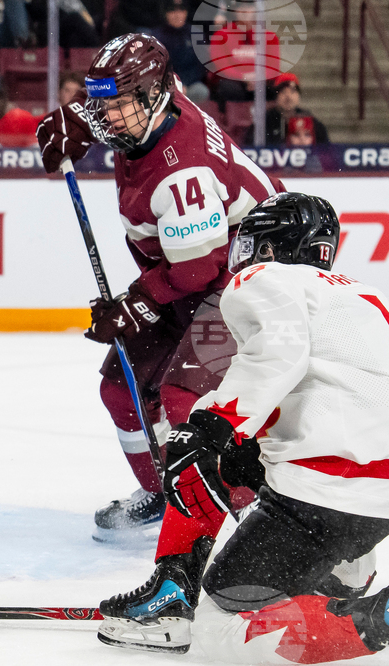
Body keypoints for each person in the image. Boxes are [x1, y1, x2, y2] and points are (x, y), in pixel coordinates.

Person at [97, 192, 389, 662]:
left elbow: (279, 352)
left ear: (270, 247)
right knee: (229, 454)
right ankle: (339, 585)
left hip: (323, 494)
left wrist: (213, 424)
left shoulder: (262, 277)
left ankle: (368, 619)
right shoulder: (366, 296)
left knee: (219, 632)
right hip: (374, 501)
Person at [35, 33, 282, 559]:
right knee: (121, 389)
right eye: (103, 103)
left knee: (183, 399)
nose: (108, 117)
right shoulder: (162, 99)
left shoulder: (183, 170)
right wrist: (77, 116)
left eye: (117, 106)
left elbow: (198, 269)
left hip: (246, 283)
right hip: (197, 271)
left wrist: (135, 302)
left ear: (155, 98)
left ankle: (247, 513)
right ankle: (165, 492)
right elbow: (186, 268)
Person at [244, 73, 330, 147]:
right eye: (283, 92)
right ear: (276, 97)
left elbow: (325, 149)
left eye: (293, 91)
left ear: (298, 96)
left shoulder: (308, 119)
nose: (288, 96)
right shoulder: (265, 121)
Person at [151, 0, 208, 103]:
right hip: (165, 85)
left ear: (186, 13)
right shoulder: (156, 37)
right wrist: (173, 85)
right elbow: (156, 68)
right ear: (165, 14)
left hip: (189, 85)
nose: (177, 15)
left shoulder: (196, 34)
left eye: (181, 11)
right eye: (172, 11)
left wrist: (184, 83)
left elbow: (200, 67)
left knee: (201, 91)